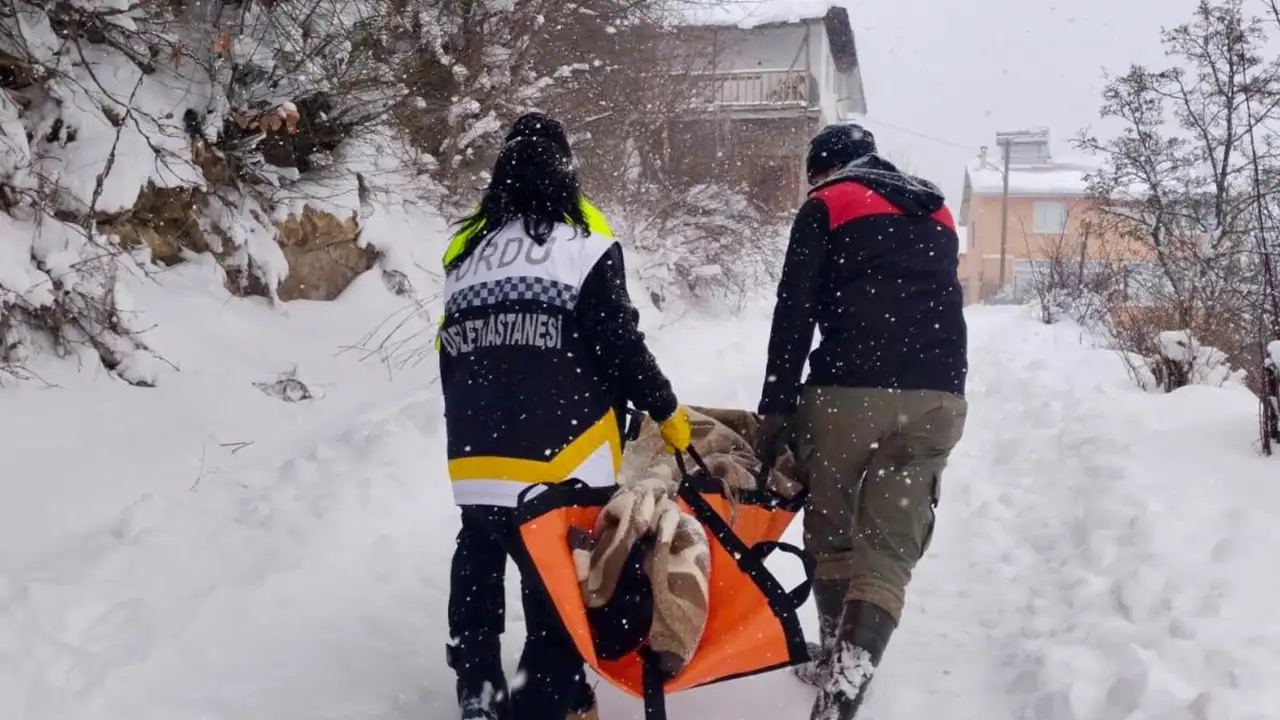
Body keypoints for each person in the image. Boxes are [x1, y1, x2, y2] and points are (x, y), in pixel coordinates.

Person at [439, 125, 691, 720]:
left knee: (478, 556)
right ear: (564, 173)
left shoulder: (466, 252)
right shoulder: (583, 244)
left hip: (473, 455)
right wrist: (666, 409)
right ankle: (545, 700)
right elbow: (619, 346)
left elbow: (447, 348)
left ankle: (478, 690)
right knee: (555, 586)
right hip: (556, 457)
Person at [753, 122, 968, 720]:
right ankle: (846, 683)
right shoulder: (937, 211)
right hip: (938, 395)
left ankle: (831, 657)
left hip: (850, 388)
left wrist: (775, 406)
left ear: (821, 170)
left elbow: (793, 310)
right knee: (890, 548)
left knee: (834, 531)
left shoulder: (827, 202)